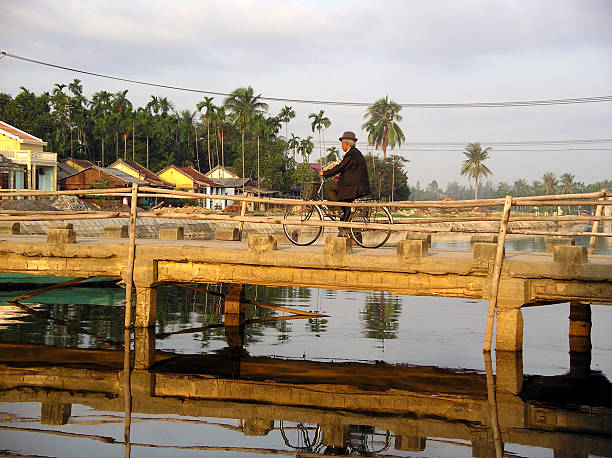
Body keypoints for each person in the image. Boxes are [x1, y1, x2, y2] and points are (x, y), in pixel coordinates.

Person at [318, 131, 370, 229]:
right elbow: (350, 171)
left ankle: (337, 210)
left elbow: (340, 167)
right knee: (344, 206)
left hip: (354, 187)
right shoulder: (355, 153)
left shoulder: (351, 154)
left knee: (329, 186)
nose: (342, 146)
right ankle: (346, 228)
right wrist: (339, 176)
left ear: (346, 143)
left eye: (342, 143)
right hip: (356, 185)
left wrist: (324, 173)